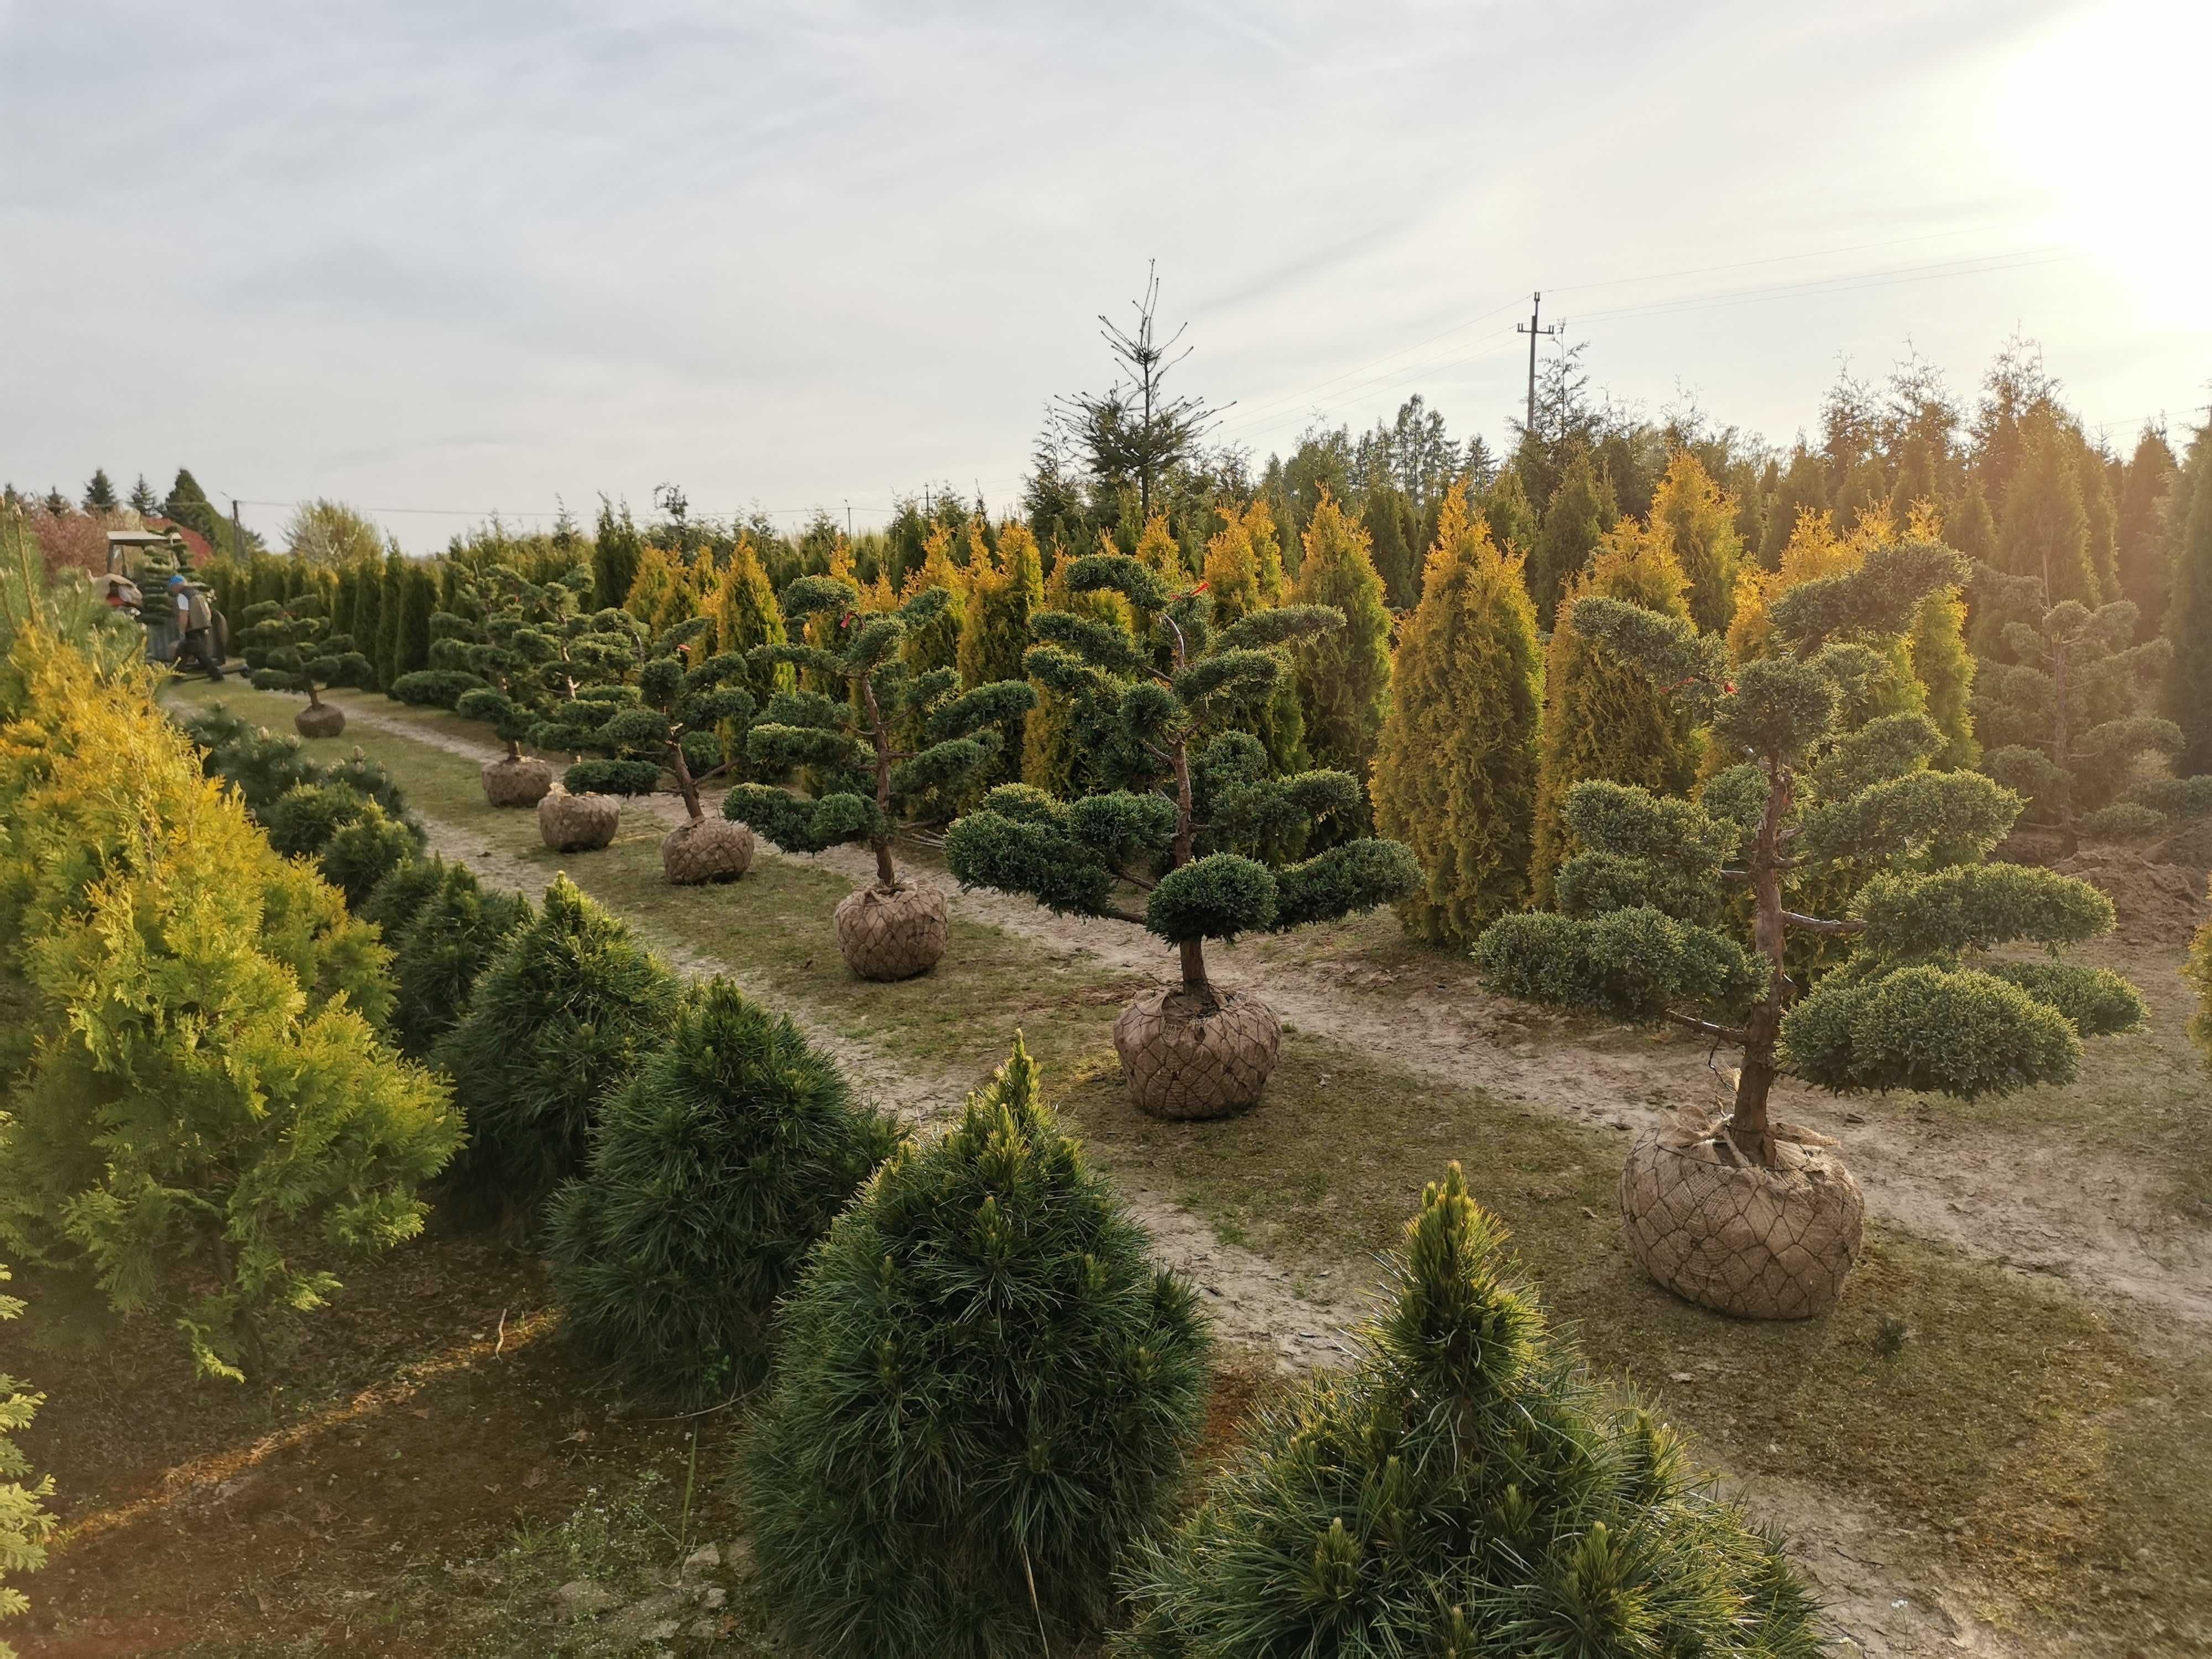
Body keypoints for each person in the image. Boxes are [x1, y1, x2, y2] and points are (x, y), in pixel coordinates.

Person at [169, 574, 225, 681]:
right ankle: (176, 677)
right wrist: (206, 625)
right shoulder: (198, 594)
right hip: (201, 628)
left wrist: (181, 631)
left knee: (201, 655)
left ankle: (217, 676)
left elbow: (184, 615)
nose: (173, 590)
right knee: (182, 653)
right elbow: (207, 612)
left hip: (192, 630)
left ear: (177, 586)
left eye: (173, 587)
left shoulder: (183, 596)